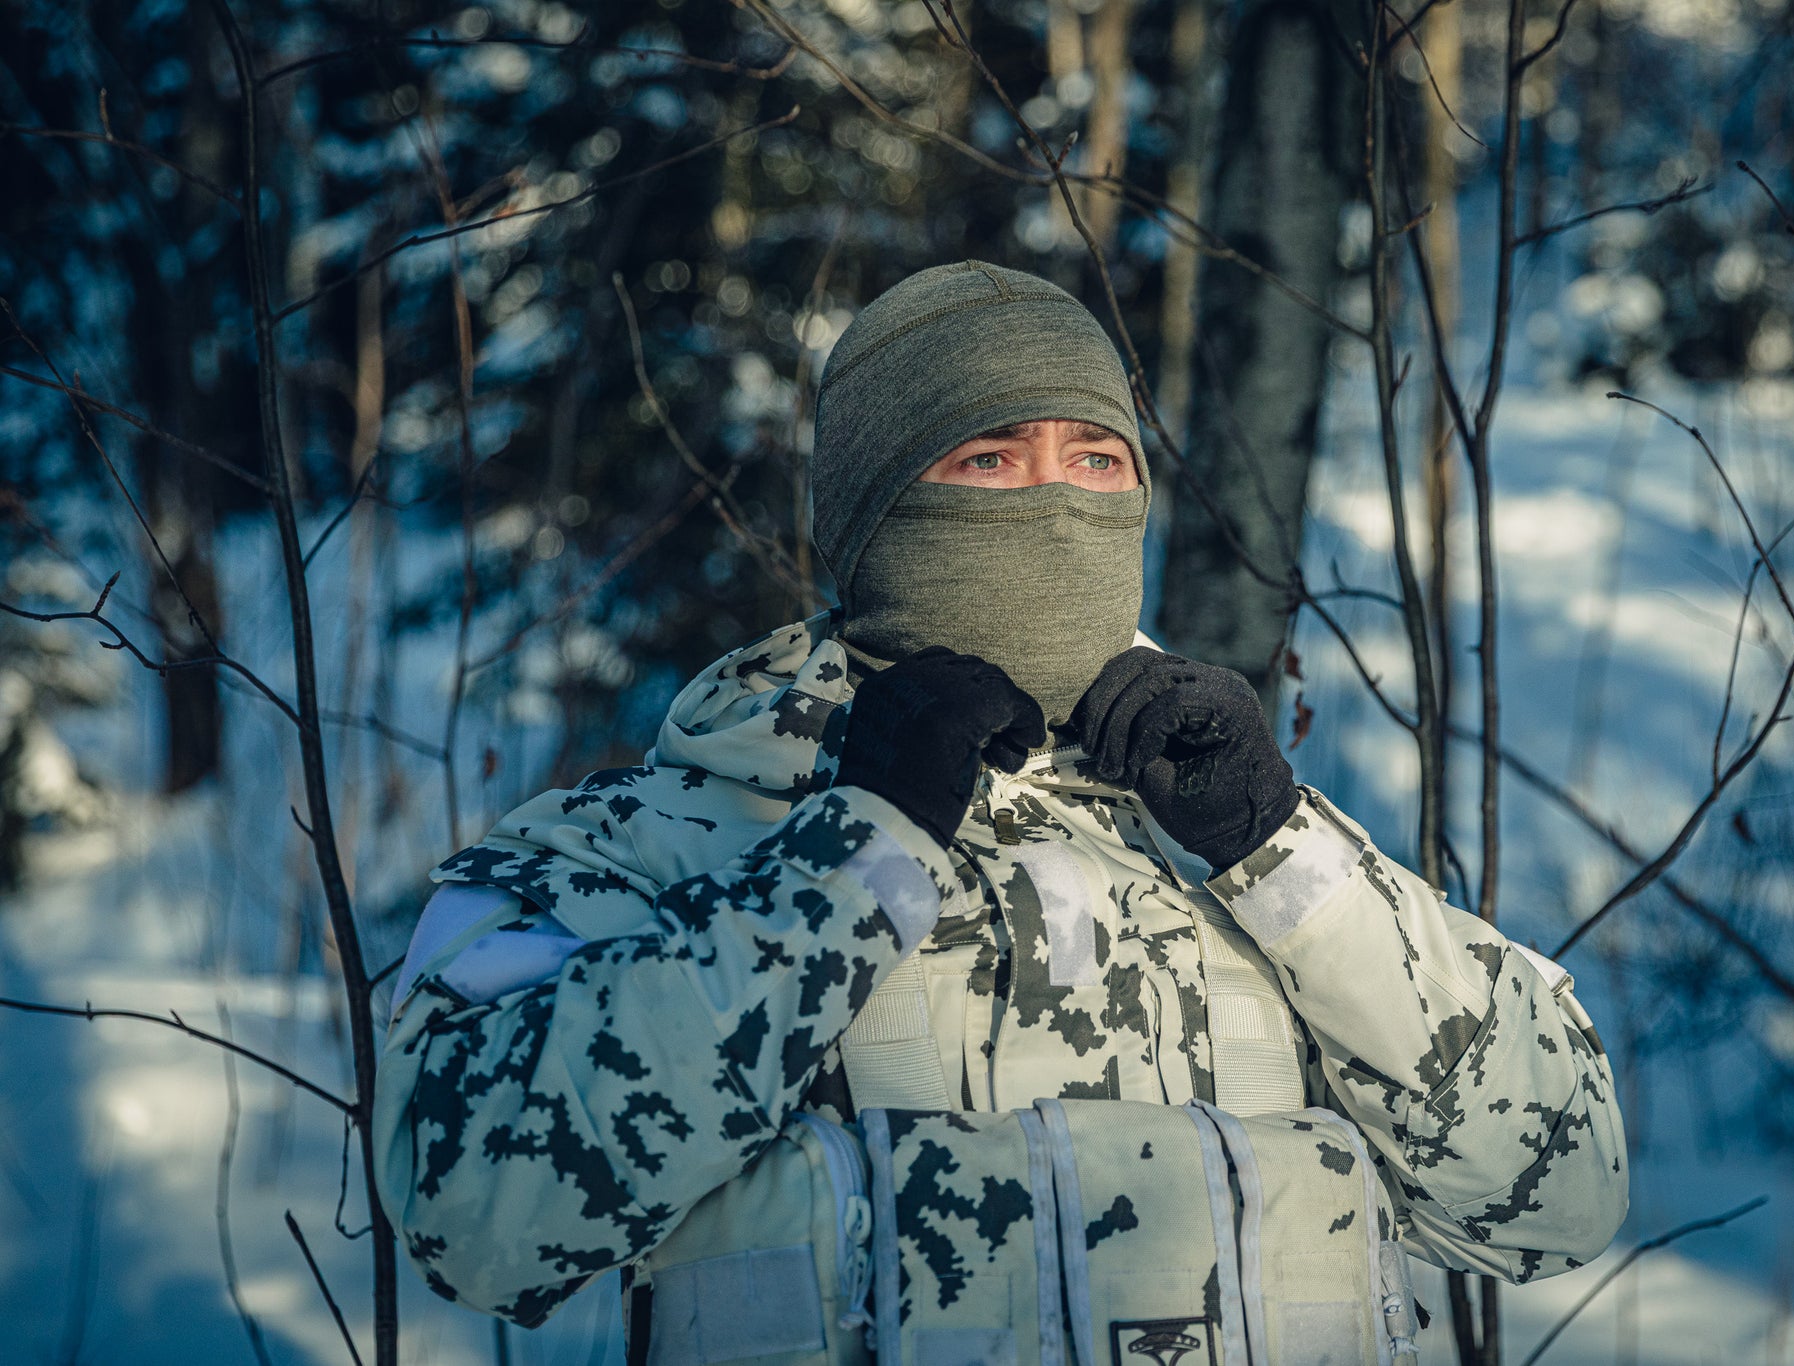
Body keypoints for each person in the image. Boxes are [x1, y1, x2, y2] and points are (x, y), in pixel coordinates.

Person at [372, 261, 1627, 1357]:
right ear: (871, 509)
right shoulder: (648, 842)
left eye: (1096, 460)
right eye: (986, 459)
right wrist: (852, 855)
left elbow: (1561, 1194)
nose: (1055, 503)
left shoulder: (1217, 837)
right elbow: (468, 1211)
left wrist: (1284, 851)